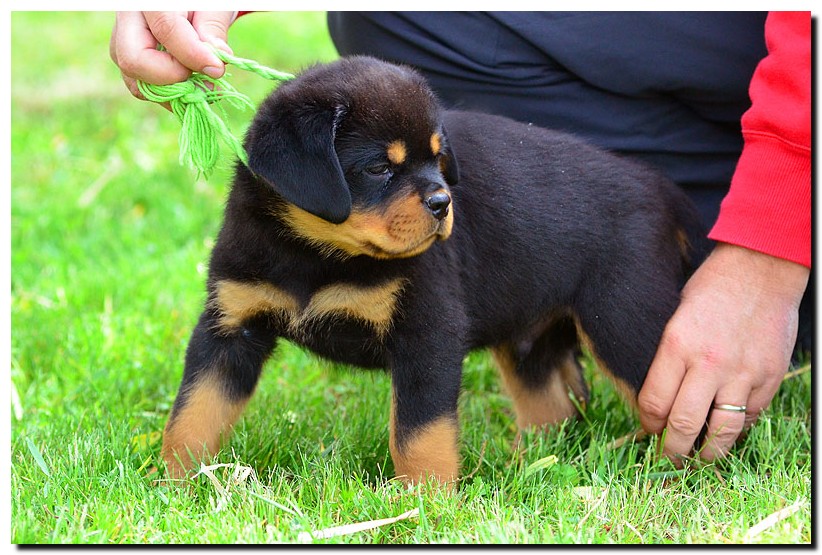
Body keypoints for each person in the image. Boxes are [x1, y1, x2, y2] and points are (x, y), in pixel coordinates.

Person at [109, 11, 811, 465]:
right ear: (299, 173)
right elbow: (225, 343)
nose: (439, 199)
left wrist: (770, 239)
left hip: (614, 222)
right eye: (386, 174)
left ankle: (704, 413)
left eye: (435, 164)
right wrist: (180, 465)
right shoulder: (255, 237)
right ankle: (551, 415)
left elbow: (425, 349)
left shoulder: (417, 256)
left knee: (650, 375)